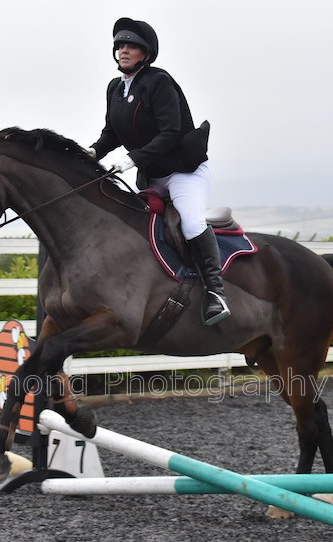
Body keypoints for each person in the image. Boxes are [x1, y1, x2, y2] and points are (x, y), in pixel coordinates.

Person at [86, 17, 230, 326]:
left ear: (145, 54)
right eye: (120, 46)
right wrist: (92, 153)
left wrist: (132, 158)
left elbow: (170, 132)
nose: (124, 51)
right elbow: (111, 133)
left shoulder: (159, 81)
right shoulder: (115, 88)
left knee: (191, 221)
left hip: (183, 172)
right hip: (151, 176)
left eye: (132, 47)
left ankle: (216, 293)